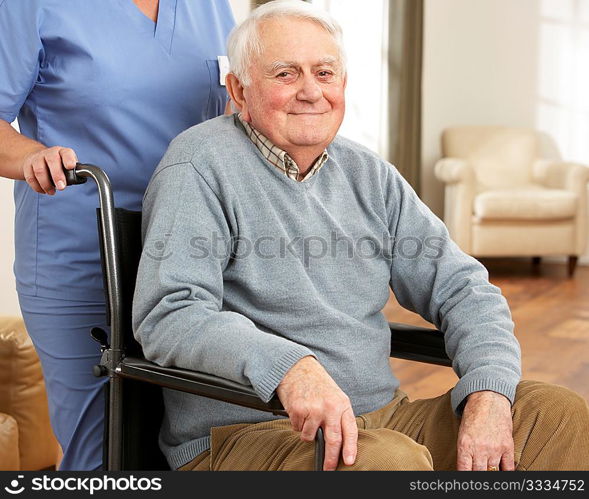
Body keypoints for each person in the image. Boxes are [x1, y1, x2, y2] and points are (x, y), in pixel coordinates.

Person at [133, 0, 589, 471]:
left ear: (342, 84)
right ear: (239, 90)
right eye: (286, 74)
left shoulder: (370, 174)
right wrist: (290, 367)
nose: (311, 91)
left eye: (325, 73)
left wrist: (489, 390)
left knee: (555, 416)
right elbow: (171, 313)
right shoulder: (199, 165)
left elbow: (463, 289)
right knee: (390, 464)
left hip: (381, 420)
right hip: (253, 433)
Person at [0, 0, 234, 470]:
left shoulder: (209, 6)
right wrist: (31, 158)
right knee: (105, 454)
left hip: (192, 257)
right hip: (83, 256)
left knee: (194, 446)